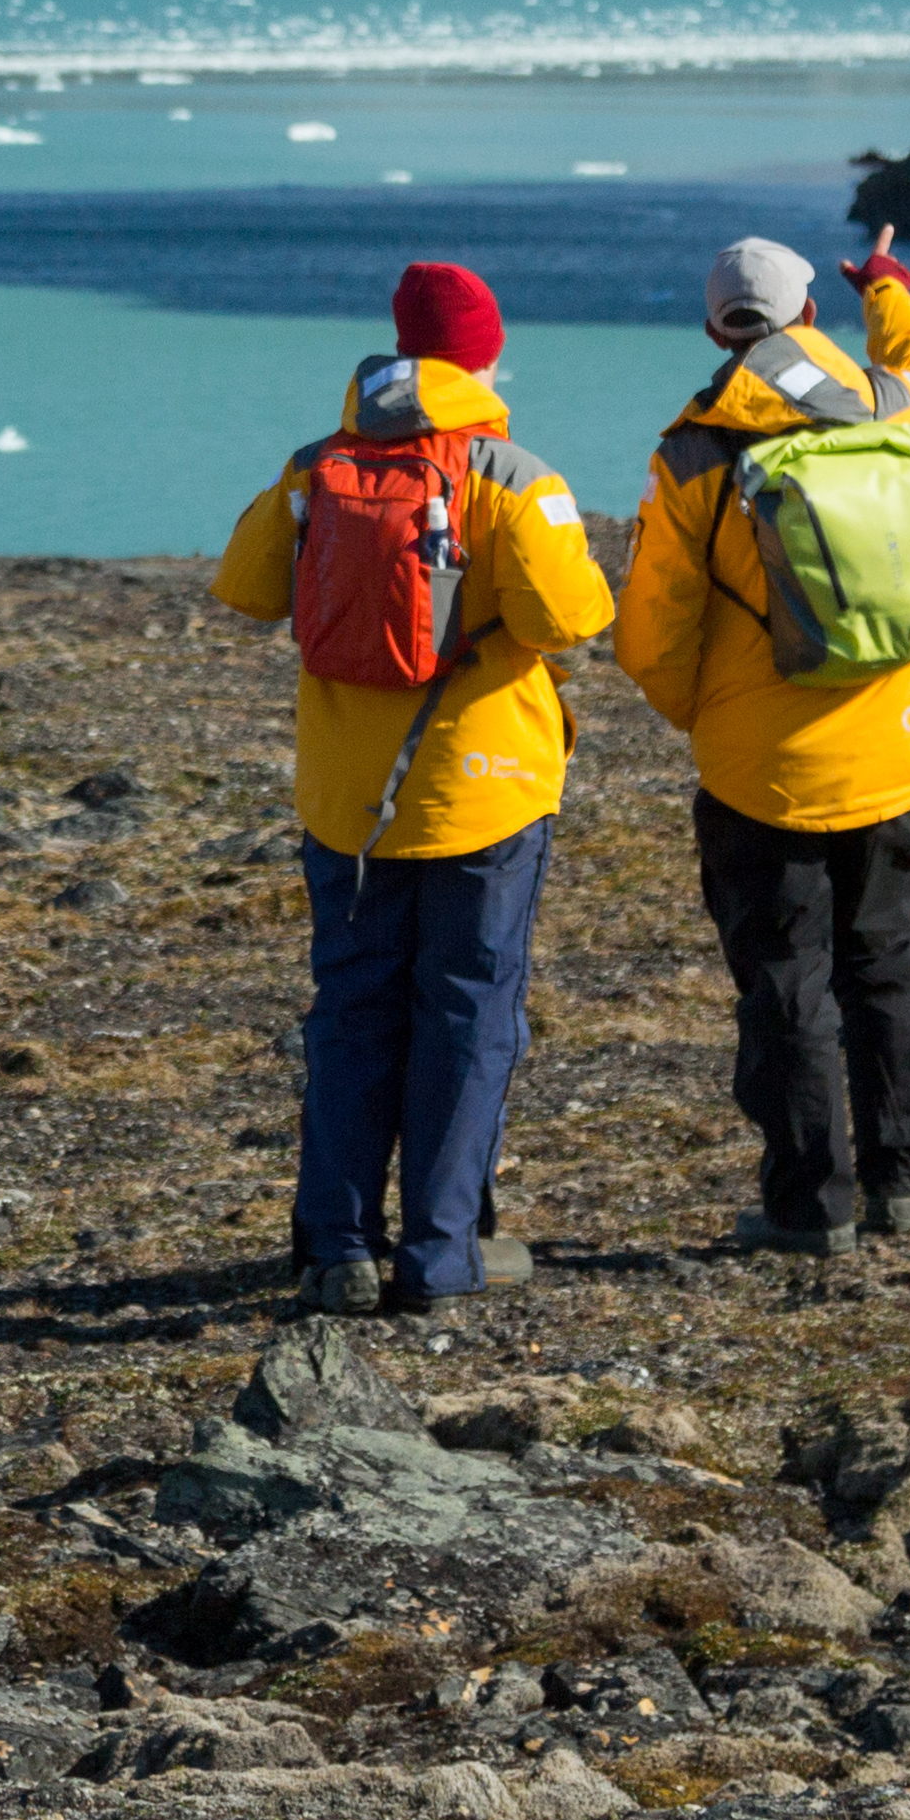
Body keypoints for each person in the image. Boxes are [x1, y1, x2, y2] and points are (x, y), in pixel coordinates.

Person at [211, 257, 615, 1316]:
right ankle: (439, 1256)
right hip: (483, 794)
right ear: (482, 352)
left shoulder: (314, 467)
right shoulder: (515, 476)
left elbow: (246, 587)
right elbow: (569, 617)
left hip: (346, 803)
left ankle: (336, 1246)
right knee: (467, 1017)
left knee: (350, 1011)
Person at [616, 219, 910, 1255]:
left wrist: (704, 716)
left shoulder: (693, 451)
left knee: (785, 979)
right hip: (900, 745)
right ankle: (908, 1177)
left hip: (757, 771)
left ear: (714, 328)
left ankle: (806, 1207)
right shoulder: (897, 404)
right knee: (886, 959)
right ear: (809, 314)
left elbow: (650, 632)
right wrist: (890, 287)